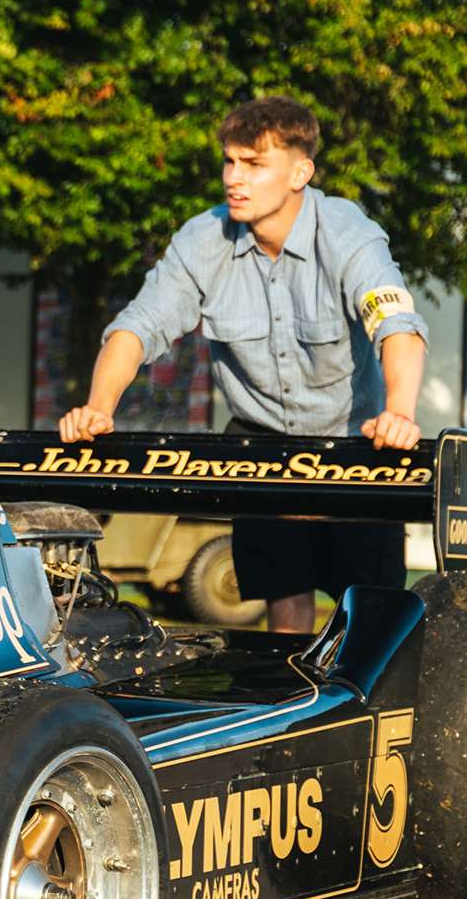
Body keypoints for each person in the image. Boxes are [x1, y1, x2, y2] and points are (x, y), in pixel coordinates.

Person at [59, 96, 426, 634]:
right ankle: (292, 711)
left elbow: (398, 326)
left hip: (357, 446)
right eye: (230, 161)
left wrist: (400, 412)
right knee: (285, 614)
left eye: (254, 164)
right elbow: (137, 327)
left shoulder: (349, 234)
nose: (235, 178)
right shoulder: (202, 239)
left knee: (371, 622)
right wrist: (96, 409)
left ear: (301, 172)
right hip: (262, 446)